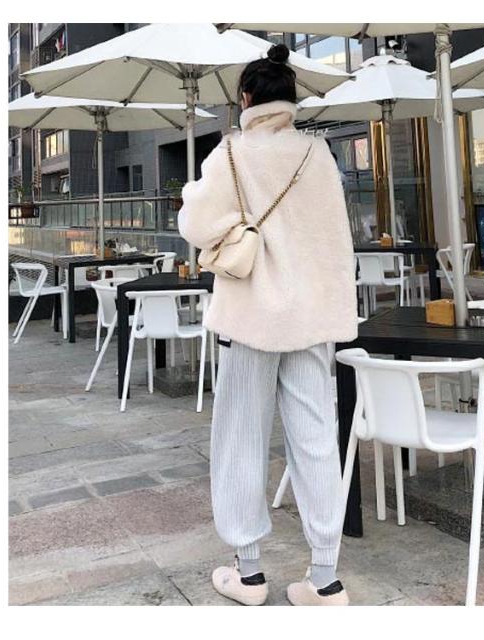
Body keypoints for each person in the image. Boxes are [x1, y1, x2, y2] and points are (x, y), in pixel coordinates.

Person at [178, 43, 358, 606]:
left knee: (240, 436)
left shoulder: (230, 154)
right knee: (316, 439)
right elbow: (334, 238)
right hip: (310, 317)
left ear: (246, 99)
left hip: (250, 316)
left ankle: (250, 573)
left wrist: (193, 195)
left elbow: (194, 224)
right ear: (290, 99)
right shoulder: (318, 155)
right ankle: (325, 578)